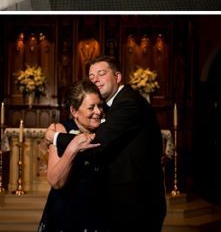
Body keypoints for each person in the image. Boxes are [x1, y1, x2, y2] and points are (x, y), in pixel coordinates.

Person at [54, 56, 166, 232]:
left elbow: (97, 144)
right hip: (122, 201)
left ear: (118, 76)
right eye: (91, 77)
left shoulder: (128, 102)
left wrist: (55, 137)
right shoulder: (110, 106)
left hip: (136, 202)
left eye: (101, 73)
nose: (95, 80)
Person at [39, 81, 106, 232]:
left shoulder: (107, 129)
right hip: (67, 209)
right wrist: (73, 148)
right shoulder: (60, 130)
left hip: (98, 211)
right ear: (74, 111)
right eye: (91, 107)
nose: (98, 112)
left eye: (100, 105)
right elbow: (56, 181)